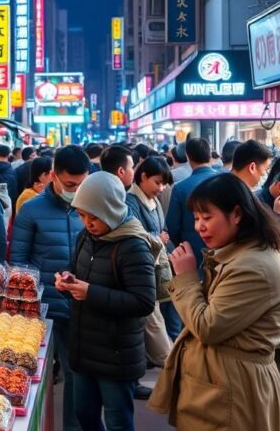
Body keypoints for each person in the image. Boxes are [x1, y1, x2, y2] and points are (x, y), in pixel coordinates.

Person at [148, 174, 280, 431]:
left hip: (234, 390)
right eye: (197, 218)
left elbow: (207, 327)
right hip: (223, 382)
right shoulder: (238, 254)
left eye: (207, 217)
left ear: (236, 214)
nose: (199, 226)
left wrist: (187, 277)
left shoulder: (252, 267)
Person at [57, 172, 159, 431]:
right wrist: (66, 282)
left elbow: (144, 301)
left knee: (118, 422)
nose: (87, 223)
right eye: (82, 215)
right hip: (85, 346)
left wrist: (90, 292)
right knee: (84, 415)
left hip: (117, 353)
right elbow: (75, 269)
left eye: (94, 216)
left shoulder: (133, 245)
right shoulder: (86, 237)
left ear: (111, 210)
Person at [11, 146, 89, 431]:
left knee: (74, 373)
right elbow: (18, 261)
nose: (76, 190)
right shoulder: (31, 209)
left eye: (82, 184)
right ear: (53, 176)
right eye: (70, 184)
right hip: (40, 308)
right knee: (34, 374)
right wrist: (25, 304)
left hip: (75, 306)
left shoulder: (88, 208)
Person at [124, 156, 176, 399]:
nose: (161, 188)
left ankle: (169, 363)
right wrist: (158, 238)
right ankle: (173, 365)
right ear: (142, 177)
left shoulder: (153, 200)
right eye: (158, 182)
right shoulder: (131, 200)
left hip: (154, 267)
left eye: (164, 183)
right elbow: (139, 232)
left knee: (153, 319)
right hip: (141, 269)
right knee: (152, 319)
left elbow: (160, 230)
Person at [166, 138, 219, 278]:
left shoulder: (180, 188)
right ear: (210, 154)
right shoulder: (226, 179)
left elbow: (173, 226)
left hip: (193, 247)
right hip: (224, 247)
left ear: (188, 157)